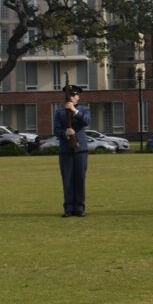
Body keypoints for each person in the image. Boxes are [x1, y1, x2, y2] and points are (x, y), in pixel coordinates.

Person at [53, 84, 90, 217]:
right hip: (66, 150)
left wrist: (74, 111)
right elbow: (56, 130)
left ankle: (80, 207)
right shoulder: (60, 112)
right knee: (67, 180)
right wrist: (65, 133)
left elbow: (86, 121)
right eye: (72, 95)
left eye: (75, 95)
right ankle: (68, 208)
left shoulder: (84, 110)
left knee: (80, 179)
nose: (74, 97)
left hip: (80, 150)